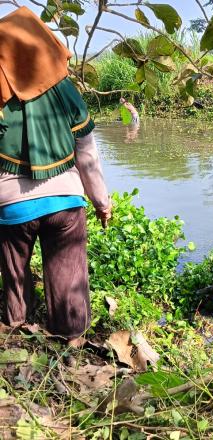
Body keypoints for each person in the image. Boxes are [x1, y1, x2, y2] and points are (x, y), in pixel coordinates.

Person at [0, 7, 111, 347]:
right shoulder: (65, 91)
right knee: (68, 279)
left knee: (14, 277)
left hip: (10, 207)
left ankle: (15, 329)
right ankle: (71, 340)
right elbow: (87, 156)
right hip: (64, 202)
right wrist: (101, 202)